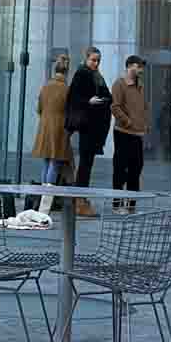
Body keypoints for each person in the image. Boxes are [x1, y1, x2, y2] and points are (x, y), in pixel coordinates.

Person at [66, 46, 112, 215]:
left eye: (98, 60)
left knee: (87, 163)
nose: (96, 63)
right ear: (86, 59)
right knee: (85, 164)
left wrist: (101, 100)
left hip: (94, 126)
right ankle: (80, 200)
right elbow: (73, 97)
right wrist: (88, 101)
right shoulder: (82, 74)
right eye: (93, 60)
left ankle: (80, 198)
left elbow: (108, 96)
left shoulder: (97, 76)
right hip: (87, 125)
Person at [30, 55, 73, 211]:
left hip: (45, 126)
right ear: (66, 72)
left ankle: (42, 197)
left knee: (46, 162)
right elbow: (70, 111)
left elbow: (39, 109)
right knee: (55, 163)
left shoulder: (45, 86)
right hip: (59, 128)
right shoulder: (67, 89)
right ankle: (47, 202)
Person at [110, 55, 149, 205]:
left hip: (137, 134)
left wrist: (144, 123)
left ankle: (132, 204)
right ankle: (117, 203)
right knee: (120, 169)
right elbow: (115, 107)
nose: (141, 70)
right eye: (138, 67)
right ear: (130, 66)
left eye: (141, 67)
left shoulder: (141, 86)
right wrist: (128, 122)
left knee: (136, 168)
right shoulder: (119, 84)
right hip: (123, 133)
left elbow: (143, 107)